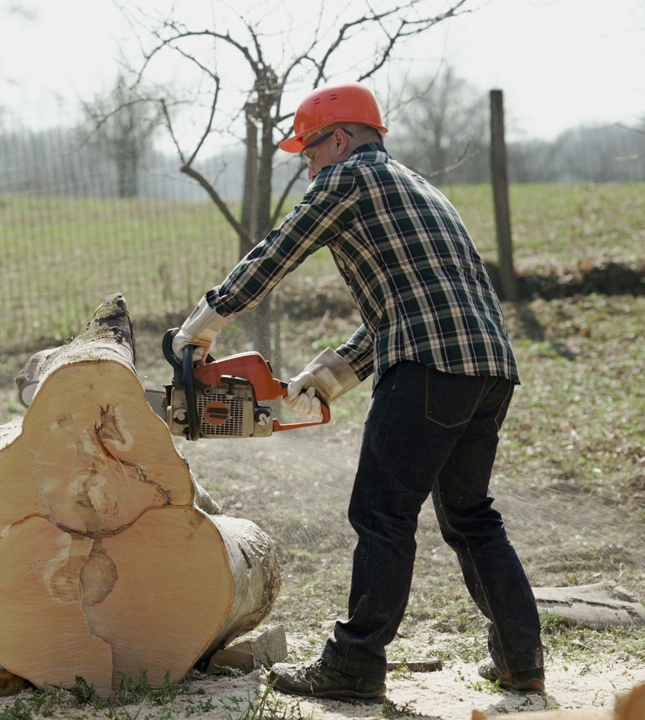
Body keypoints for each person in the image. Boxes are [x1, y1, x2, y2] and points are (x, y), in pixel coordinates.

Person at [171, 82, 544, 702]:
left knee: (381, 513)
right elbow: (414, 307)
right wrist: (327, 377)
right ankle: (521, 659)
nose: (306, 165)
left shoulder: (349, 179)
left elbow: (278, 253)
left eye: (309, 152)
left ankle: (355, 665)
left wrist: (203, 323)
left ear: (338, 139)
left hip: (427, 366)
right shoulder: (419, 189)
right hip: (488, 369)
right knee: (471, 516)